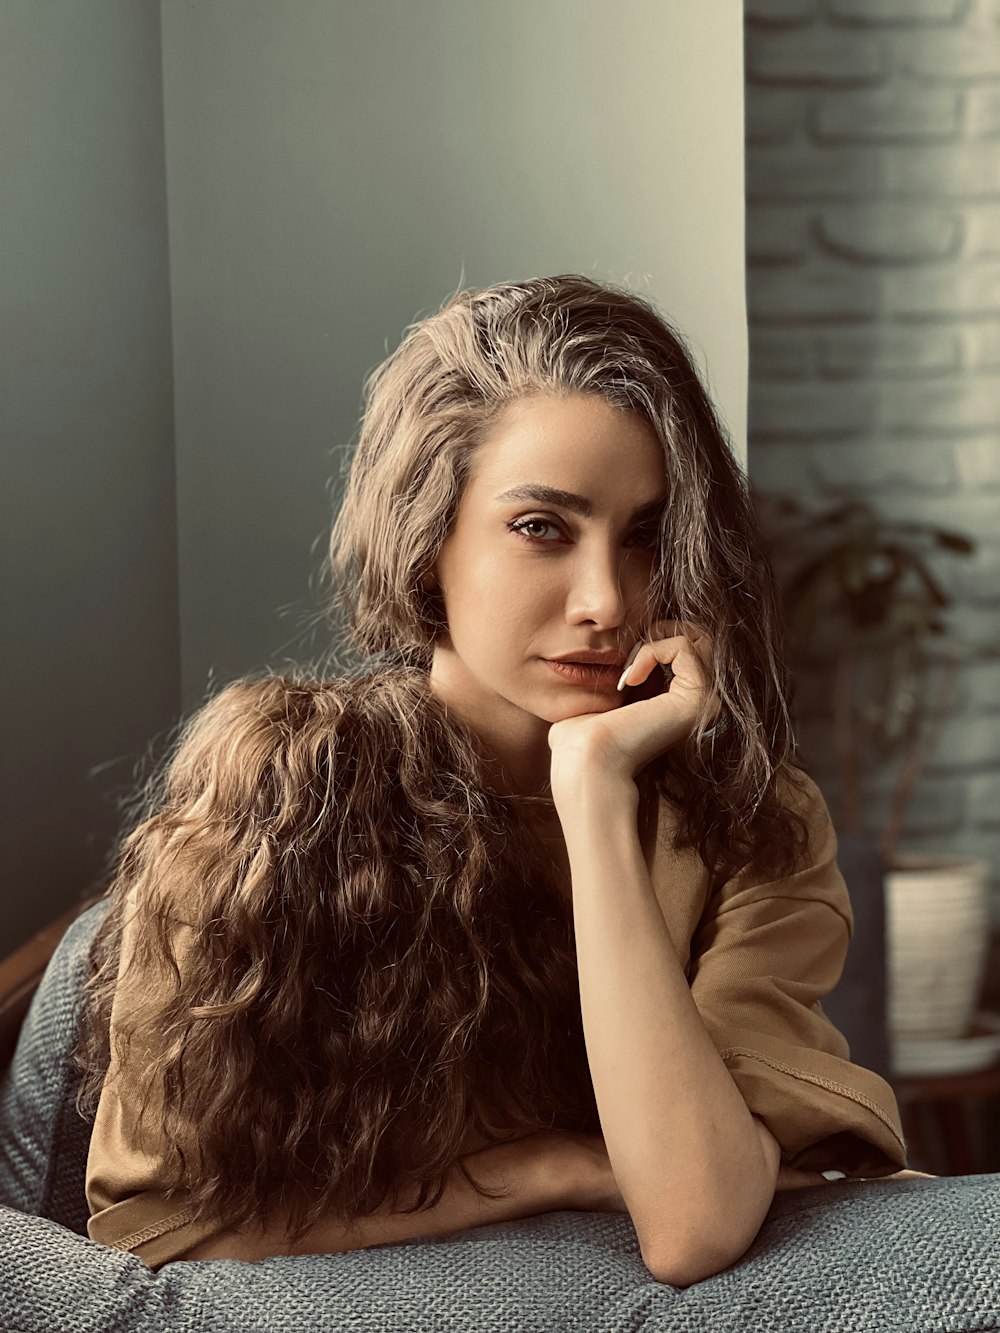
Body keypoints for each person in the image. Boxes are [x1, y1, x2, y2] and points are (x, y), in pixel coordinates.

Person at [74, 274, 926, 1287]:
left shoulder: (752, 820)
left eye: (646, 537)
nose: (606, 601)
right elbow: (146, 1222)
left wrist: (595, 793)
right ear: (429, 538)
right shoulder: (285, 793)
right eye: (541, 528)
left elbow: (694, 1220)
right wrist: (542, 1169)